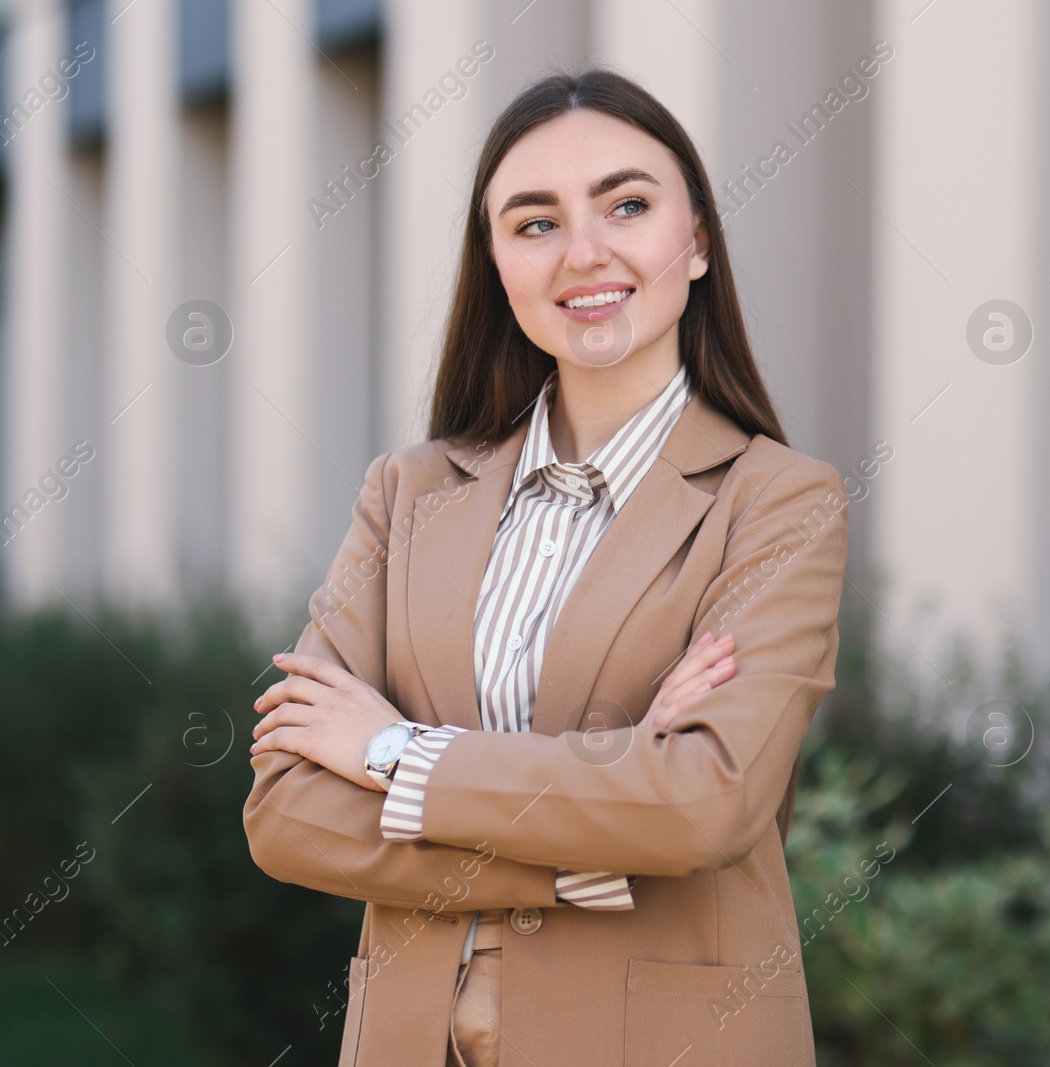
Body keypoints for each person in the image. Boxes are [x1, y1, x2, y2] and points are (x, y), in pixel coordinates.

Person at [242, 68, 849, 1067]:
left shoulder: (777, 499)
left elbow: (704, 800)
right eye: (534, 222)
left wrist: (395, 752)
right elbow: (289, 811)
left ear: (695, 240)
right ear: (494, 261)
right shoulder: (406, 492)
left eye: (627, 204)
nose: (585, 251)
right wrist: (583, 853)